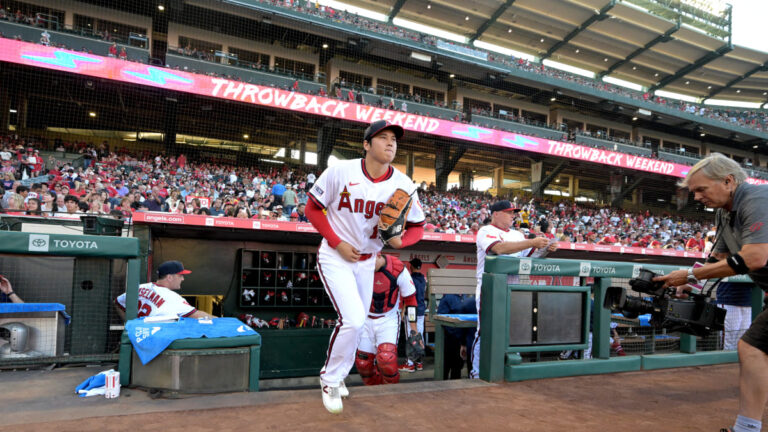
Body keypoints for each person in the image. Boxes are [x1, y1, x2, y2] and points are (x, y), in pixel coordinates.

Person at [306, 120, 425, 414]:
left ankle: (340, 374)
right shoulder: (340, 171)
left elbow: (419, 226)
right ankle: (329, 380)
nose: (390, 143)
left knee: (355, 323)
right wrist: (336, 242)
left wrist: (401, 242)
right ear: (366, 144)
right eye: (383, 138)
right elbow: (311, 208)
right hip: (336, 256)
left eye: (394, 140)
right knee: (354, 320)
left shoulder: (404, 183)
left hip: (368, 260)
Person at [653, 154, 768, 432]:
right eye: (694, 191)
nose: (696, 197)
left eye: (701, 189)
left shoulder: (758, 198)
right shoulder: (723, 211)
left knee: (753, 348)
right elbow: (718, 258)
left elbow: (755, 257)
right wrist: (684, 282)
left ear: (729, 181)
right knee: (753, 348)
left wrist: (690, 275)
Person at [470, 200, 556, 379]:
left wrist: (546, 248)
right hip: (490, 289)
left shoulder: (517, 234)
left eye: (514, 212)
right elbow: (499, 249)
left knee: (511, 331)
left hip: (512, 289)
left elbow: (531, 256)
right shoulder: (486, 231)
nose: (513, 215)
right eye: (509, 212)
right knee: (485, 331)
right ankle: (477, 372)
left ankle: (503, 369)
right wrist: (531, 241)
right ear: (496, 214)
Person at [355, 254, 421, 385]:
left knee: (387, 359)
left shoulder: (397, 268)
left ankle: (390, 394)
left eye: (369, 260)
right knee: (363, 363)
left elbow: (411, 299)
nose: (366, 265)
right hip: (364, 319)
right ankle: (374, 393)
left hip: (388, 319)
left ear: (377, 254)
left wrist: (414, 329)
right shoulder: (356, 266)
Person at [114, 260, 212, 321]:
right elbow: (197, 315)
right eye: (180, 275)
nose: (183, 279)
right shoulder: (172, 298)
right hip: (155, 341)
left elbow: (117, 302)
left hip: (138, 336)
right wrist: (219, 320)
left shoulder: (141, 287)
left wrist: (129, 324)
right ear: (169, 277)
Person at [437, 293, 476, 379]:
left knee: (457, 368)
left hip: (462, 340)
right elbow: (441, 318)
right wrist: (456, 332)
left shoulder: (466, 297)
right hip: (450, 339)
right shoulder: (448, 298)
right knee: (446, 367)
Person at [399, 257, 427, 371]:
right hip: (421, 310)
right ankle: (419, 362)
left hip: (412, 310)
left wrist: (403, 310)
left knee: (410, 335)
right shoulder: (423, 279)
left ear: (412, 266)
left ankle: (410, 364)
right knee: (419, 335)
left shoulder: (410, 278)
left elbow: (409, 297)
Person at [716, 281, 754, 351]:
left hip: (749, 301)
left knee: (744, 340)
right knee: (729, 341)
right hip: (729, 300)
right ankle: (726, 360)